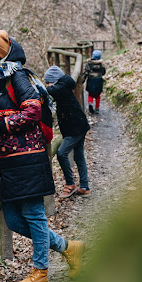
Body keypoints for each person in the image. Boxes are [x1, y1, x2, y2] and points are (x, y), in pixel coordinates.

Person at [0, 30, 84, 282]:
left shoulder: (16, 76)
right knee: (14, 220)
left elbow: (33, 110)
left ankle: (41, 270)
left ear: (1, 54)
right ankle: (69, 248)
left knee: (34, 215)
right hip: (5, 161)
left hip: (28, 157)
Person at [43, 66, 91, 198]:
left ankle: (70, 184)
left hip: (75, 128)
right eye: (46, 83)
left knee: (61, 153)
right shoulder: (64, 86)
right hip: (78, 126)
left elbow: (51, 90)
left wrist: (40, 89)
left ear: (55, 80)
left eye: (48, 82)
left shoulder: (61, 87)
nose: (48, 85)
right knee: (78, 156)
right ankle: (84, 186)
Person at [82, 49, 106, 114]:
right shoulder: (101, 65)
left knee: (90, 95)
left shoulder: (89, 64)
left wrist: (83, 79)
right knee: (97, 96)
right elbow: (103, 72)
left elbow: (85, 73)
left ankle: (90, 103)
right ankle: (97, 108)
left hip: (91, 81)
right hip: (98, 82)